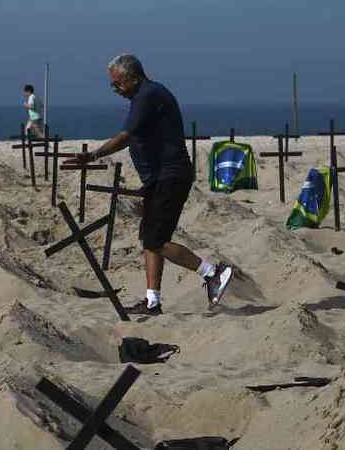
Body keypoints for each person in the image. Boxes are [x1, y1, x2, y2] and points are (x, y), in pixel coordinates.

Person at [65, 54, 233, 314]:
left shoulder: (148, 95)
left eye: (118, 84)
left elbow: (124, 137)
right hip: (157, 179)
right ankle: (152, 301)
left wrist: (93, 155)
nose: (115, 90)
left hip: (171, 176)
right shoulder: (143, 96)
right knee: (149, 239)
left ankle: (212, 273)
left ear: (133, 78)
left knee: (156, 241)